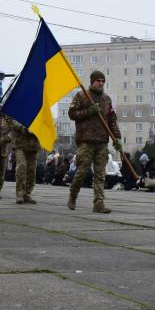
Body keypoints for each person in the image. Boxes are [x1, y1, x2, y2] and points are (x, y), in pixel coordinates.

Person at [67, 71, 122, 213]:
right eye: (98, 80)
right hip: (86, 141)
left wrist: (117, 138)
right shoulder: (81, 96)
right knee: (81, 172)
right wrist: (89, 111)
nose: (101, 83)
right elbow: (72, 113)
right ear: (92, 81)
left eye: (103, 80)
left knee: (100, 174)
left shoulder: (107, 99)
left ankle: (99, 203)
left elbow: (112, 120)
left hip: (102, 142)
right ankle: (73, 195)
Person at [10, 119, 41, 203]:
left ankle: (27, 194)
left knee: (31, 170)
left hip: (33, 144)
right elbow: (12, 121)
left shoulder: (40, 109)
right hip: (20, 143)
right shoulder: (18, 107)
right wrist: (24, 128)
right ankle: (20, 194)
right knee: (21, 166)